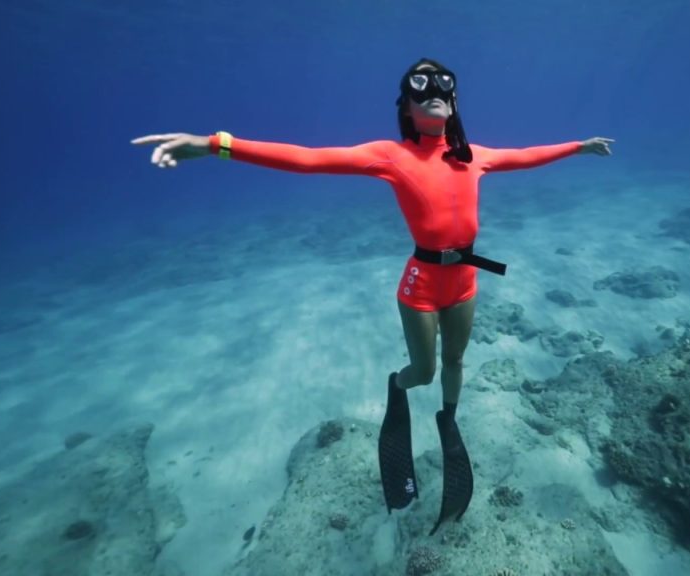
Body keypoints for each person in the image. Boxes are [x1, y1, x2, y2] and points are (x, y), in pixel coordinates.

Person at [132, 57, 613, 534]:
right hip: (421, 285)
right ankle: (398, 387)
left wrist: (579, 146)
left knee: (456, 364)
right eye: (422, 85)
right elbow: (308, 159)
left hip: (465, 279)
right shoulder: (391, 156)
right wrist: (215, 144)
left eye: (444, 85)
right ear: (406, 106)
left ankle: (449, 422)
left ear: (455, 100)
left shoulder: (474, 155)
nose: (436, 91)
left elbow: (527, 155)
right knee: (424, 371)